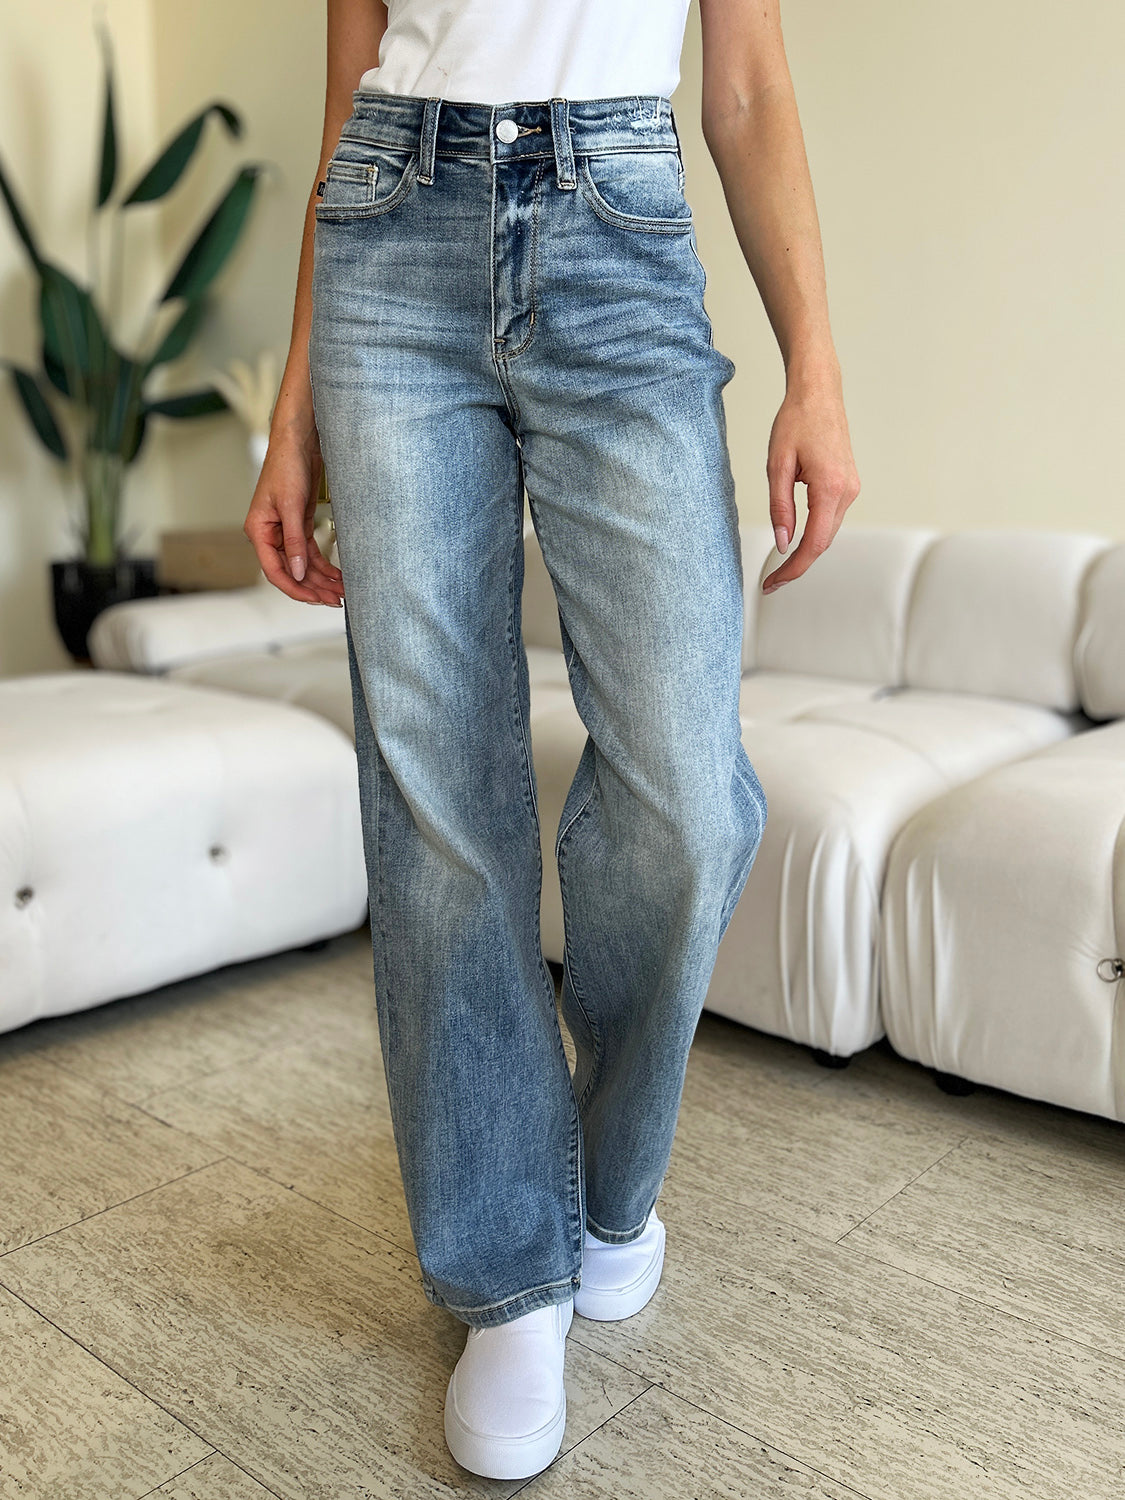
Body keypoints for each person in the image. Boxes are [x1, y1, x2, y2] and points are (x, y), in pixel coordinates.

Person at [244, 0, 860, 1481]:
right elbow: (350, 81)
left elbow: (748, 85)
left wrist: (815, 368)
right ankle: (508, 1277)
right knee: (437, 791)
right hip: (391, 232)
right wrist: (291, 409)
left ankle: (605, 1191)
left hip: (618, 221)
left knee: (684, 795)